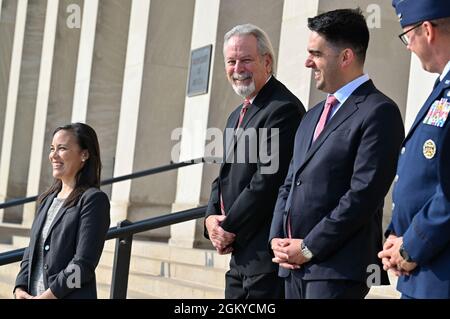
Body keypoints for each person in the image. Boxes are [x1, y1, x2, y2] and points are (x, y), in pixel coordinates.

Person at [269, 8, 405, 299]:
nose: (307, 62)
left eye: (315, 54)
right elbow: (289, 183)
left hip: (337, 271)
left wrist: (308, 247)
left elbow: (363, 195)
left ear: (345, 57)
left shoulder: (379, 112)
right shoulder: (311, 116)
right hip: (291, 267)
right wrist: (277, 240)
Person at [204, 24, 305, 299]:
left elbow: (267, 181)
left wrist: (228, 227)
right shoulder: (237, 113)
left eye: (246, 59)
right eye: (232, 61)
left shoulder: (282, 109)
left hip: (265, 256)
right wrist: (211, 219)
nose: (238, 68)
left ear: (267, 61)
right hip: (240, 257)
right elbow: (224, 175)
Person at [378, 0, 450, 299]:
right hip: (423, 273)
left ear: (428, 30)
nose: (408, 46)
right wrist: (396, 237)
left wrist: (411, 244)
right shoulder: (442, 88)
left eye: (407, 36)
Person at [14, 123, 110, 299]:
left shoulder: (93, 200)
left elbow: (83, 265)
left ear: (84, 154)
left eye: (62, 148)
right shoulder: (47, 199)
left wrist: (48, 296)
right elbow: (31, 251)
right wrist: (19, 288)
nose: (53, 155)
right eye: (52, 149)